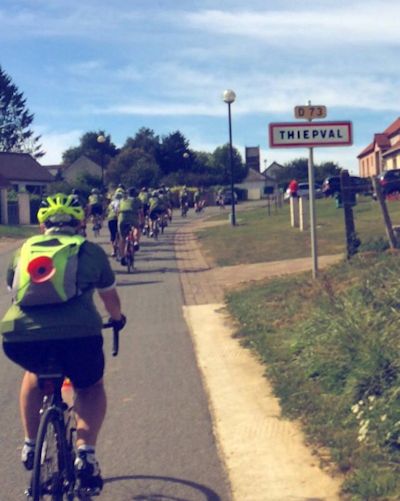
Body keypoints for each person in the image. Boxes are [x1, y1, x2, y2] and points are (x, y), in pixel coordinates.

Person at [0, 193, 126, 494]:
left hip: (19, 337)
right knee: (90, 386)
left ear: (43, 226)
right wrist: (117, 318)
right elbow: (110, 300)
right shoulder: (90, 251)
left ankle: (31, 445)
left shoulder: (22, 252)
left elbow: (13, 290)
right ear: (79, 223)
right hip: (79, 337)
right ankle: (85, 454)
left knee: (33, 374)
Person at [117, 187, 143, 265]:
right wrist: (142, 221)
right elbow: (140, 211)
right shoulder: (137, 200)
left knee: (122, 238)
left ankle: (122, 257)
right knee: (137, 228)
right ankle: (135, 242)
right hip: (132, 216)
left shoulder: (122, 200)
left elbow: (118, 211)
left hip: (122, 217)